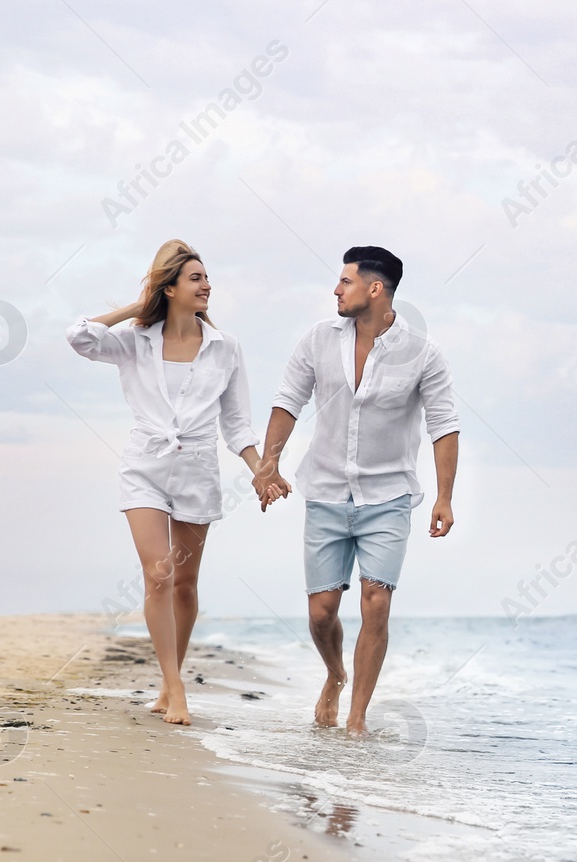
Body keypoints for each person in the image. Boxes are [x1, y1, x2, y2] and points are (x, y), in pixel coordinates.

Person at [252, 246, 460, 735]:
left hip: (387, 496)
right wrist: (269, 465)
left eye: (345, 281)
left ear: (375, 288)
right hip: (325, 489)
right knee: (321, 612)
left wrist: (445, 497)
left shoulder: (424, 354)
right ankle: (334, 673)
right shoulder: (318, 340)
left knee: (376, 601)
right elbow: (288, 402)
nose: (336, 289)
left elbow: (444, 426)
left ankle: (357, 718)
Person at [66, 239, 270, 726]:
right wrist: (141, 305)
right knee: (158, 573)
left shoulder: (226, 349)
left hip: (198, 470)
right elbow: (79, 336)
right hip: (145, 466)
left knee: (185, 585)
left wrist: (261, 471)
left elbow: (237, 424)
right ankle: (176, 689)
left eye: (206, 278)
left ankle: (168, 677)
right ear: (171, 287)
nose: (207, 286)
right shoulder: (136, 341)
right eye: (196, 278)